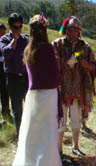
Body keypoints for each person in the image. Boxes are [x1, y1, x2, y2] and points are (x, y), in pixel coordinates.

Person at [12, 14, 62, 166]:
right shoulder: (47, 48)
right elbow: (55, 78)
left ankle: (29, 161)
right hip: (48, 95)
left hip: (33, 96)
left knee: (32, 131)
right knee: (47, 132)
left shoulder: (28, 50)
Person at [53, 16, 96, 157]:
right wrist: (62, 61)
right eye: (70, 30)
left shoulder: (85, 47)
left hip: (78, 90)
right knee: (60, 119)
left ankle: (75, 146)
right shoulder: (57, 44)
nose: (72, 32)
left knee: (76, 118)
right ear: (66, 30)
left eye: (75, 30)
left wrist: (88, 65)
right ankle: (58, 148)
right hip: (61, 89)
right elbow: (50, 63)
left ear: (79, 31)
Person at [0, 13, 28, 137]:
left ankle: (29, 134)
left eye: (20, 26)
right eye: (15, 27)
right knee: (17, 110)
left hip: (26, 78)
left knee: (29, 108)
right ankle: (19, 135)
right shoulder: (4, 39)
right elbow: (6, 53)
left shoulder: (26, 39)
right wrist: (14, 40)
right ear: (10, 27)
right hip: (12, 78)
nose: (18, 29)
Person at [0, 23, 11, 124]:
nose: (2, 33)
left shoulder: (6, 42)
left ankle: (6, 114)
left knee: (5, 94)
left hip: (4, 74)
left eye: (3, 31)